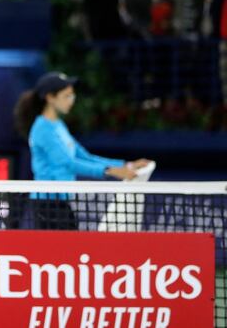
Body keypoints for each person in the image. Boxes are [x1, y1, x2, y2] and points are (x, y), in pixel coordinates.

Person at [13, 72, 151, 230]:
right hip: (47, 206)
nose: (71, 101)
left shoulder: (58, 125)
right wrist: (111, 172)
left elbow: (85, 156)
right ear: (50, 97)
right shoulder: (42, 129)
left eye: (72, 96)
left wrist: (127, 165)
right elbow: (68, 163)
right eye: (67, 96)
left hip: (62, 203)